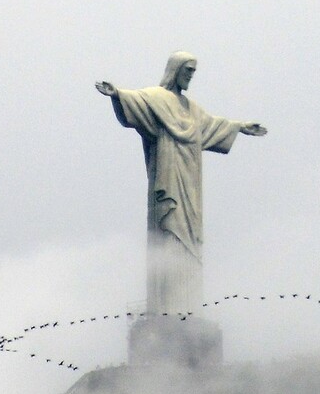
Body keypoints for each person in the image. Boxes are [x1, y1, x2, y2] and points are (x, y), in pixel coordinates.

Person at [96, 51, 266, 315]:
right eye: (188, 70)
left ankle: (189, 309)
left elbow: (214, 126)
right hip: (168, 181)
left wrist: (241, 127)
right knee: (168, 236)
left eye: (194, 72)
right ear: (175, 70)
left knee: (191, 241)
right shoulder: (156, 99)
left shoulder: (192, 110)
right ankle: (166, 308)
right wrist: (116, 93)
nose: (190, 76)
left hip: (191, 187)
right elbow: (136, 103)